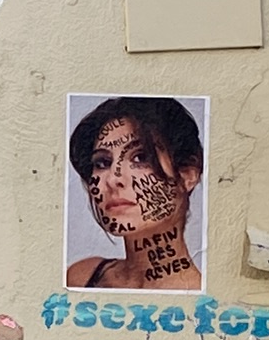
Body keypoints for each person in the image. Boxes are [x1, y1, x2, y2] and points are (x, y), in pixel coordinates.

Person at [65, 95, 205, 287]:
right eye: (102, 163)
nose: (113, 179)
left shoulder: (206, 298)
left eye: (141, 157)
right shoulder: (80, 277)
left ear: (188, 174)